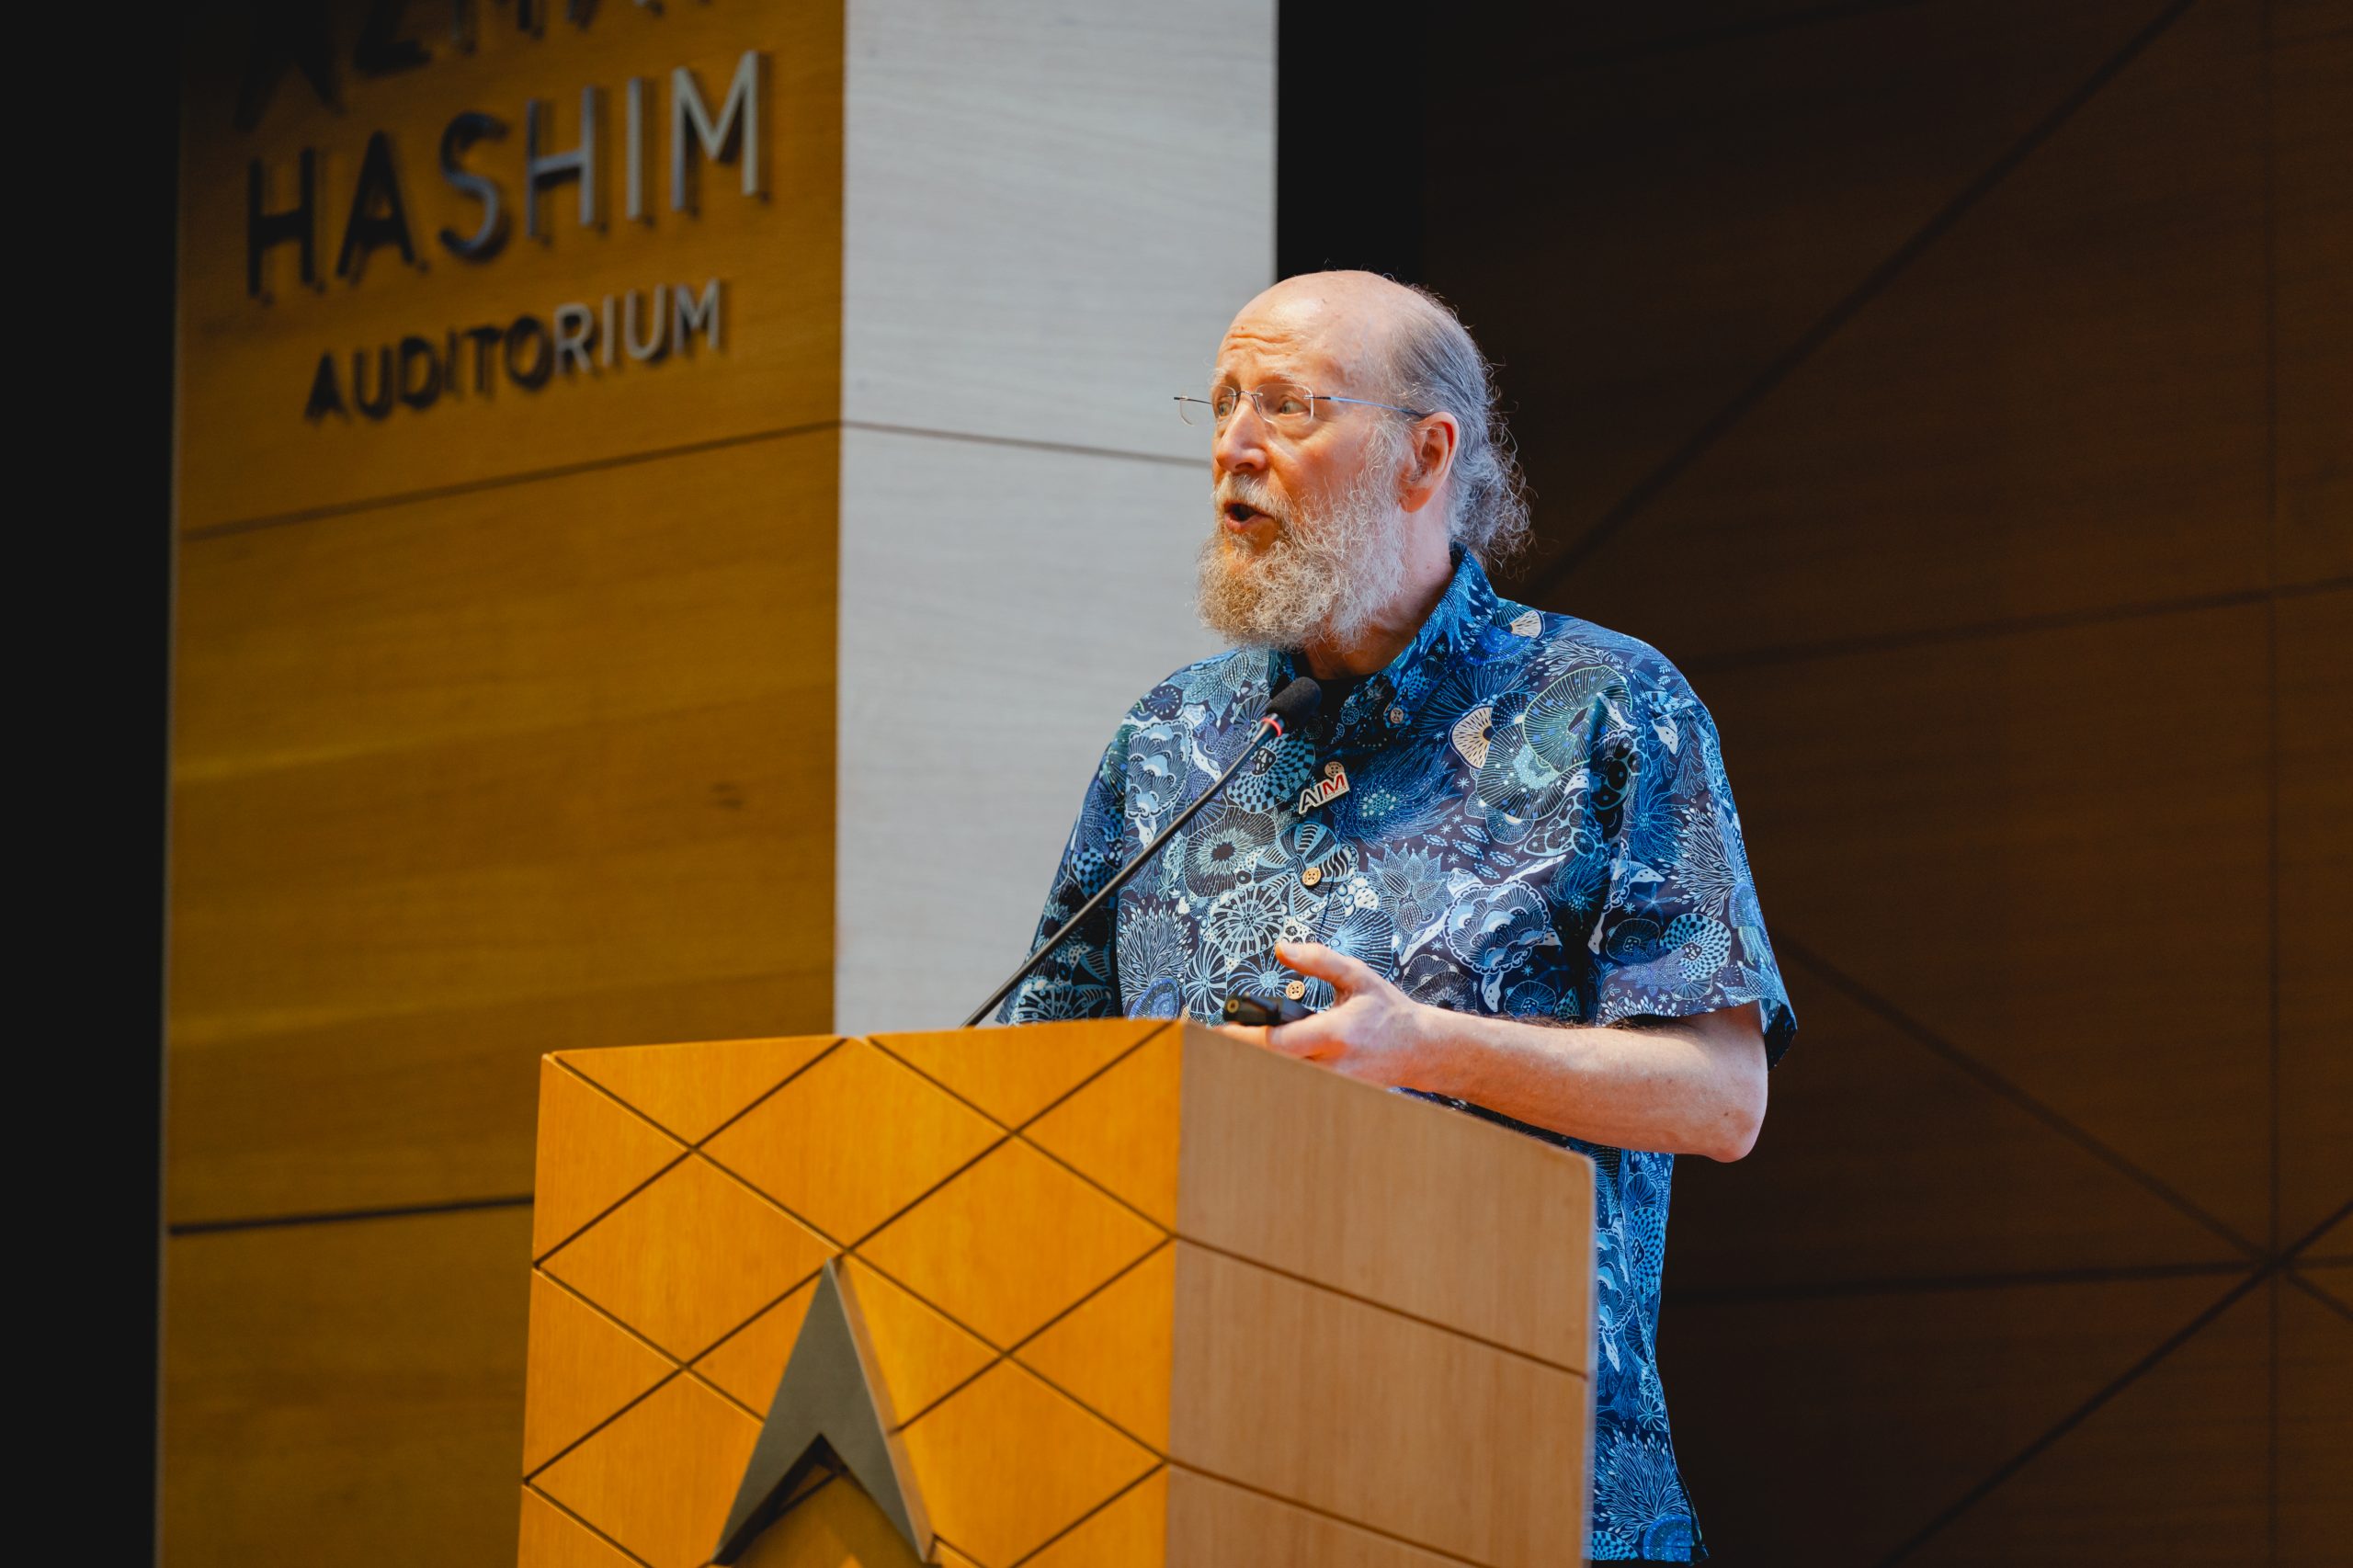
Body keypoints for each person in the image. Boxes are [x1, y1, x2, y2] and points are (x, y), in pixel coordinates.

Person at [1003, 270, 1795, 1564]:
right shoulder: (1171, 739)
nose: (1234, 446)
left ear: (1426, 456)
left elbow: (1722, 1098)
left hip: (1519, 1482)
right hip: (1198, 1477)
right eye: (1222, 404)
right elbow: (1045, 1083)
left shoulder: (1608, 708)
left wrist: (1424, 1049)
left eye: (1288, 407)